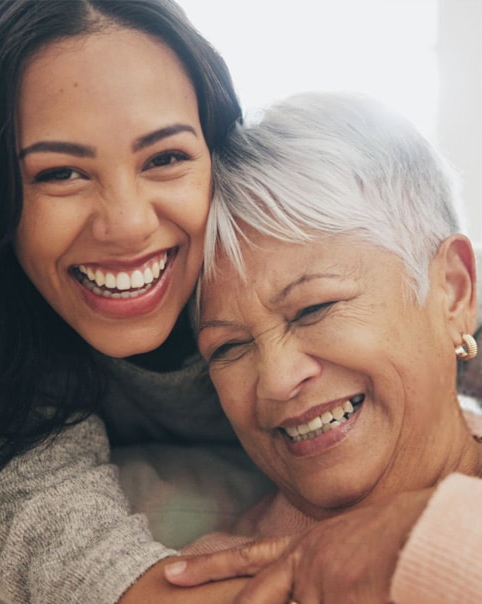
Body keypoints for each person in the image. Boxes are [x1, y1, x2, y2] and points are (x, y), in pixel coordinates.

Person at [0, 1, 267, 603]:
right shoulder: (5, 322)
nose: (128, 225)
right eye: (60, 173)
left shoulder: (307, 248)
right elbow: (47, 518)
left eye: (165, 159)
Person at [165, 92, 482, 603]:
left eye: (313, 309)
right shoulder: (210, 585)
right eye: (228, 348)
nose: (275, 377)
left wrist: (440, 539)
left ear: (452, 291)